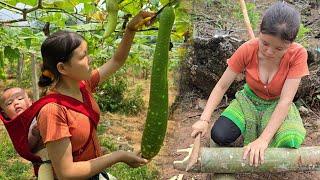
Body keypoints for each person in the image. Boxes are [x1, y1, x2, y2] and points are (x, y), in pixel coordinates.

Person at [35, 11, 154, 179]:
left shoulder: (84, 85)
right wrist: (118, 156)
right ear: (62, 68)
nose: (89, 59)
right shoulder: (53, 112)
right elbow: (66, 173)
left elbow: (116, 61)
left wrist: (130, 29)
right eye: (83, 56)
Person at [191, 2, 308, 167]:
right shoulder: (247, 49)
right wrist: (204, 119)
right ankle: (250, 130)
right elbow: (221, 86)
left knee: (291, 139)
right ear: (260, 33)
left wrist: (263, 140)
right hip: (249, 100)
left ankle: (263, 133)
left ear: (290, 44)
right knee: (219, 135)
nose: (269, 52)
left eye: (279, 48)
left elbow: (285, 101)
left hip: (277, 104)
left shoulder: (298, 55)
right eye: (265, 43)